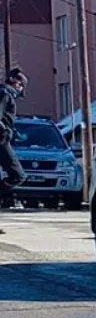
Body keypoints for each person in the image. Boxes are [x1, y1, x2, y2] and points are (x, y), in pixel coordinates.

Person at [0, 68, 27, 232]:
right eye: (22, 86)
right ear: (17, 83)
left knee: (16, 175)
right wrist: (4, 131)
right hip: (0, 142)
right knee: (18, 175)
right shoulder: (5, 94)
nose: (21, 90)